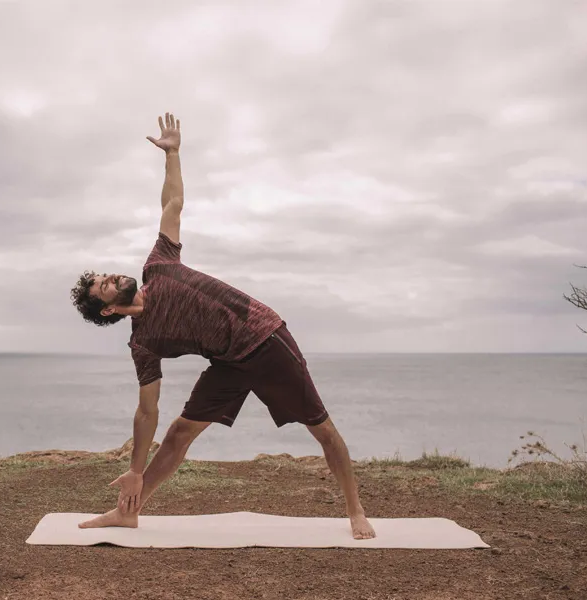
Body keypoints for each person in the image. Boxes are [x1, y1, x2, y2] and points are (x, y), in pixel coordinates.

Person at [69, 113, 376, 539]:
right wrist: (135, 469)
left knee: (321, 428)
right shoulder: (143, 344)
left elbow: (172, 204)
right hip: (229, 363)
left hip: (265, 338)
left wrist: (173, 154)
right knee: (178, 433)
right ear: (107, 310)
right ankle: (128, 510)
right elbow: (147, 410)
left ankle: (356, 512)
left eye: (108, 274)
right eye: (104, 285)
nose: (113, 277)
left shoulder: (159, 265)